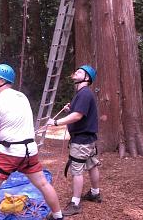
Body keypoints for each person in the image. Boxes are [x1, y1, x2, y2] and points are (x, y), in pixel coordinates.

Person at [0, 64, 64, 220]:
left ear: (1, 80)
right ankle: (58, 216)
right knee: (43, 184)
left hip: (10, 152)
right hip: (29, 151)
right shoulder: (21, 96)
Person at [47, 65, 101, 216]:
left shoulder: (84, 94)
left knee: (77, 171)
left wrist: (56, 122)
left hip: (81, 140)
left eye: (80, 71)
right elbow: (79, 113)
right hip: (88, 139)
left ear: (87, 78)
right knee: (91, 165)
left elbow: (77, 116)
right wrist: (69, 110)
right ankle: (95, 193)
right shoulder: (82, 94)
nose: (76, 71)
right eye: (76, 70)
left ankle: (75, 203)